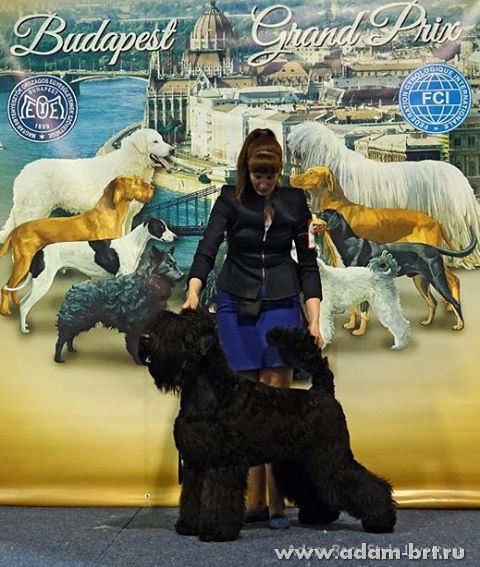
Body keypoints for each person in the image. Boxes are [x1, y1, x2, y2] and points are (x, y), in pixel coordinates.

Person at [183, 128, 323, 529]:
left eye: (271, 176)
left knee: (276, 410)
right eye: (258, 176)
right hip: (235, 307)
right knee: (241, 412)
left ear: (279, 171)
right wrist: (193, 292)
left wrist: (314, 319)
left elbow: (308, 264)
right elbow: (207, 247)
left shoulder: (295, 201)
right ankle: (252, 501)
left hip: (282, 305)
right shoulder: (229, 198)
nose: (264, 183)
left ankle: (278, 503)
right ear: (246, 169)